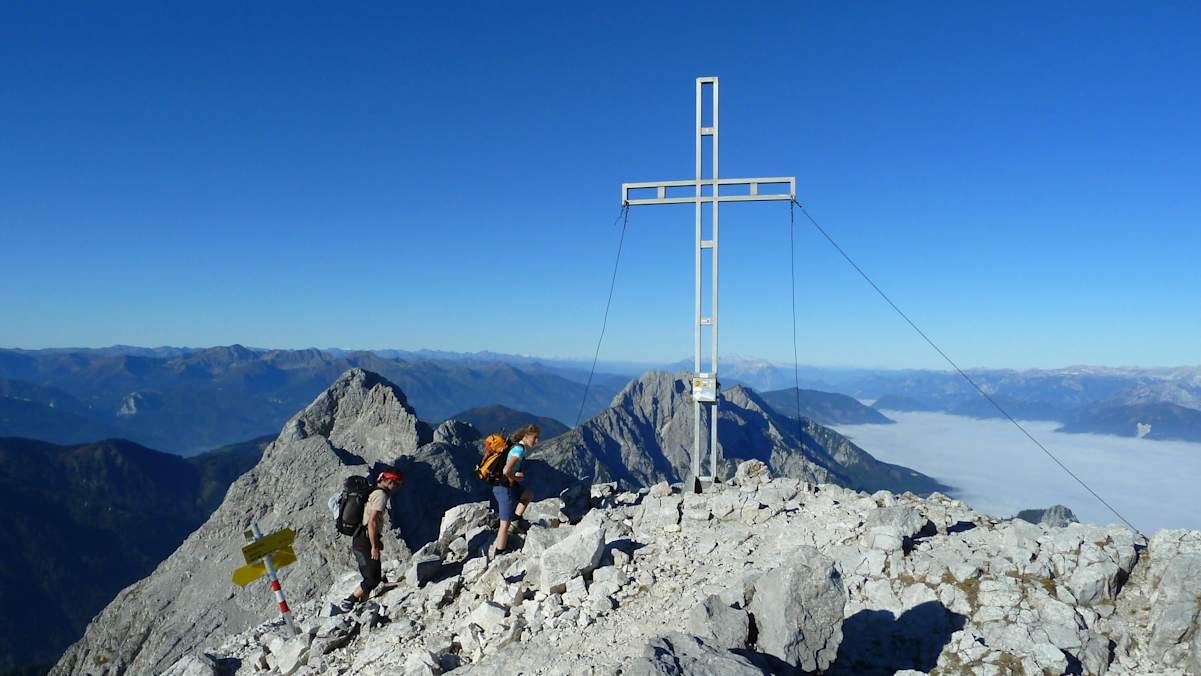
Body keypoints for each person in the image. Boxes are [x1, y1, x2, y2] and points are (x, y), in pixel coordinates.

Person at [340, 469, 403, 611]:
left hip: (362, 539)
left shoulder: (374, 491)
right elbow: (372, 522)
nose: (398, 487)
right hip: (364, 542)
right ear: (390, 481)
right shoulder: (381, 495)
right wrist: (374, 546)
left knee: (372, 575)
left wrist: (376, 540)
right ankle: (348, 602)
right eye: (398, 484)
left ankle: (362, 606)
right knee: (372, 578)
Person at [492, 424, 538, 555]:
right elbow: (506, 470)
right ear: (526, 437)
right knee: (504, 525)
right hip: (504, 488)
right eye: (534, 438)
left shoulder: (516, 445)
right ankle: (499, 552)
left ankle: (516, 520)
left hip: (510, 486)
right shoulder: (519, 450)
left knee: (528, 494)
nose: (537, 441)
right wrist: (515, 477)